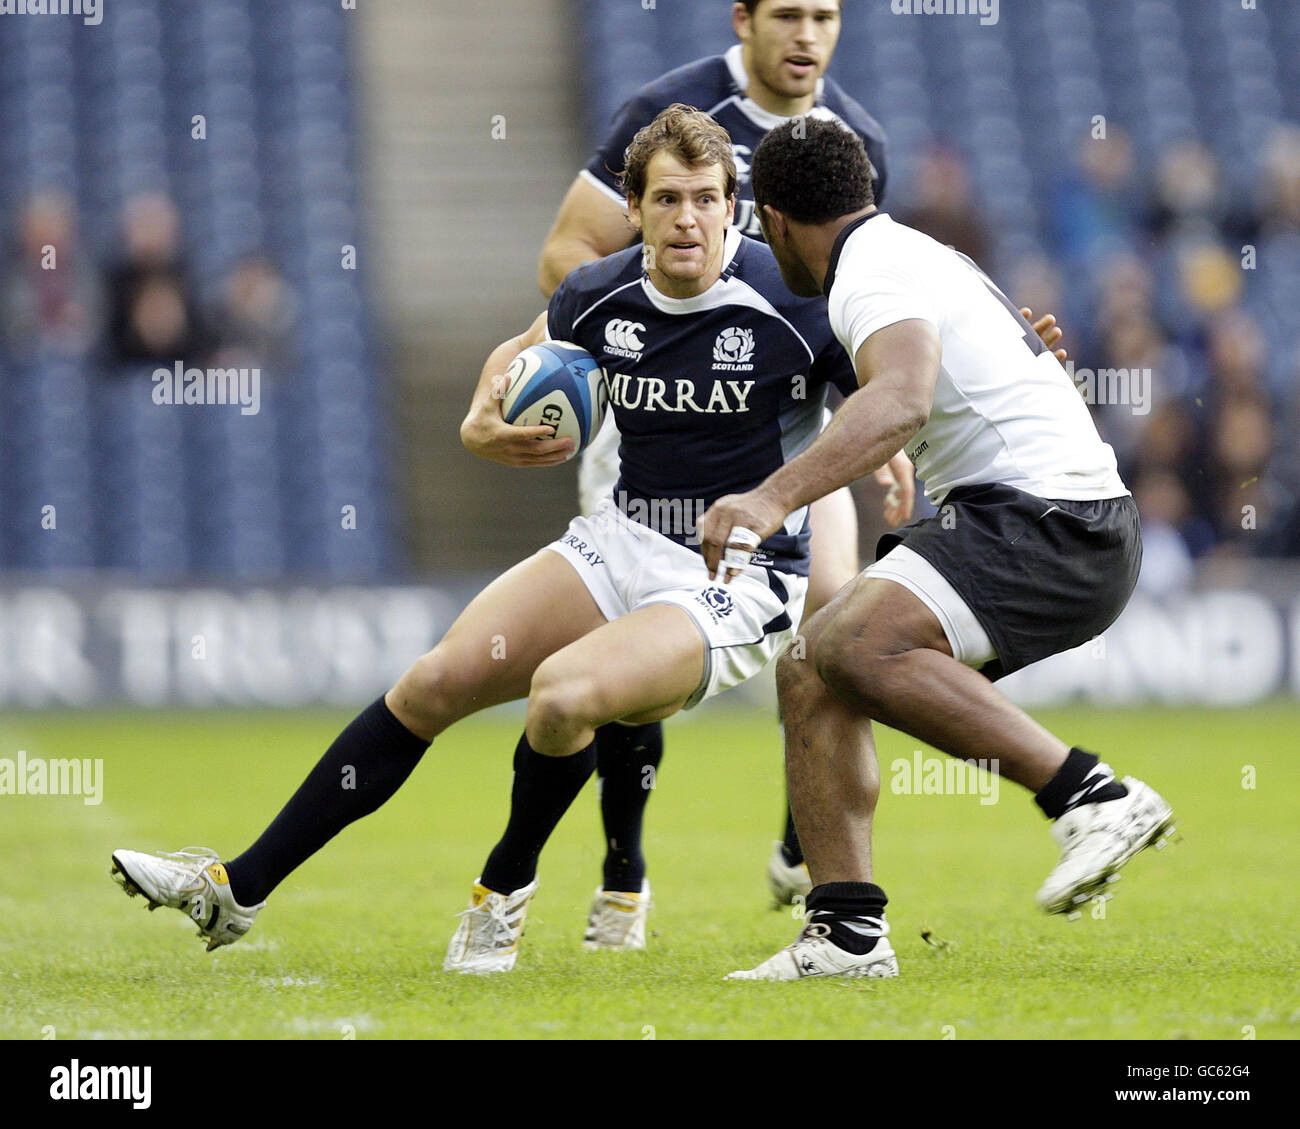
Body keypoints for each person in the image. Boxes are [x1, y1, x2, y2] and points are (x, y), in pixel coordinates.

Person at [107, 106, 912, 971]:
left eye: (708, 199)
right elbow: (516, 358)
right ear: (633, 207)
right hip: (622, 537)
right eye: (668, 198)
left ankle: (504, 885)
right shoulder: (595, 292)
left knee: (563, 696)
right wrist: (477, 427)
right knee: (432, 681)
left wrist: (891, 454)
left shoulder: (793, 301)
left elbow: (895, 381)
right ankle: (236, 888)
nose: (689, 218)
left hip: (738, 579)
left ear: (733, 208)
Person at [696, 117, 1175, 982]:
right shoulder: (911, 251)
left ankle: (1092, 796)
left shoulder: (867, 273)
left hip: (1046, 518)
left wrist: (771, 496)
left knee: (850, 643)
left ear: (770, 218)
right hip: (1051, 514)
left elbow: (903, 398)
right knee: (811, 667)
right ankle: (844, 932)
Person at [530, 0, 891, 925]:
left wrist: (876, 423)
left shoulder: (857, 139)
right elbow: (568, 250)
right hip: (658, 389)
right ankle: (624, 865)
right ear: (745, 19)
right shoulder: (674, 106)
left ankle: (802, 836)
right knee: (637, 628)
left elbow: (859, 297)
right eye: (788, 14)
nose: (807, 34)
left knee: (832, 613)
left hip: (787, 413)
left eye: (825, 15)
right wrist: (617, 329)